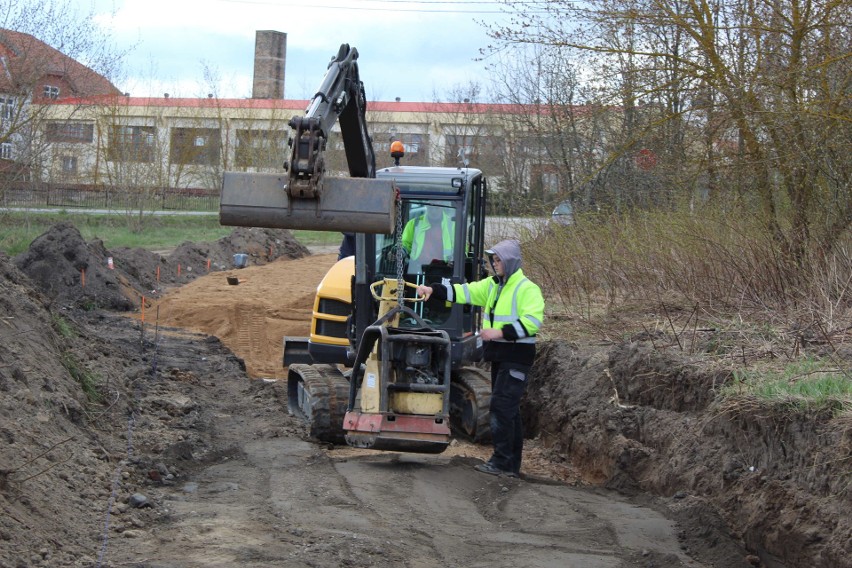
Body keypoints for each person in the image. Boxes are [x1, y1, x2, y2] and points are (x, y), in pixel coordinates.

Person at [416, 239, 544, 478]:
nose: (495, 265)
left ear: (510, 261)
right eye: (493, 260)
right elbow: (465, 292)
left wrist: (500, 332)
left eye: (498, 260)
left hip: (516, 356)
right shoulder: (494, 286)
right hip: (501, 356)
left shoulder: (527, 289)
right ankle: (509, 464)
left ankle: (503, 463)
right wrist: (434, 290)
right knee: (509, 410)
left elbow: (532, 322)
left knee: (502, 408)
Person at [401, 205, 454, 270]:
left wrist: (454, 259)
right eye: (431, 207)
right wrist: (400, 251)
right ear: (427, 205)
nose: (433, 211)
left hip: (444, 269)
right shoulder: (414, 224)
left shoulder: (453, 225)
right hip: (417, 270)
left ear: (442, 206)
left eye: (437, 207)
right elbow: (405, 244)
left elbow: (460, 248)